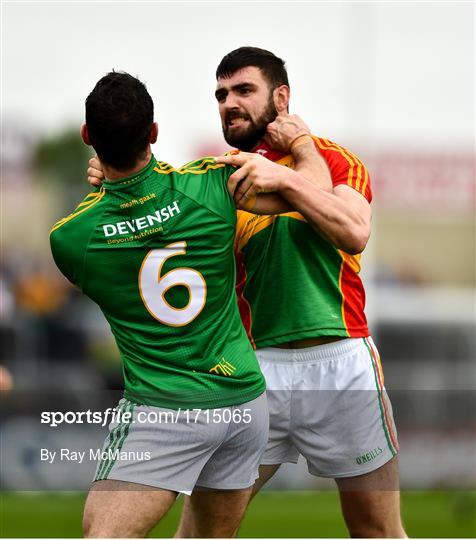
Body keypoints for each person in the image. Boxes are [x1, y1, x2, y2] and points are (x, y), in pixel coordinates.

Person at [87, 48, 406, 538]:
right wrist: (115, 180)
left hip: (342, 364)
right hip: (253, 374)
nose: (228, 103)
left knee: (376, 530)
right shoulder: (217, 176)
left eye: (243, 90)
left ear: (281, 98)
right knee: (202, 533)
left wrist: (290, 165)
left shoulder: (338, 160)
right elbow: (151, 217)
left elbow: (353, 230)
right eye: (220, 94)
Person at [50, 71, 312, 538]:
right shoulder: (215, 185)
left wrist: (113, 198)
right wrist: (306, 147)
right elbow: (309, 191)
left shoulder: (71, 239)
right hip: (242, 404)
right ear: (153, 133)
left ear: (89, 137)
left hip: (162, 407)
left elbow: (122, 238)